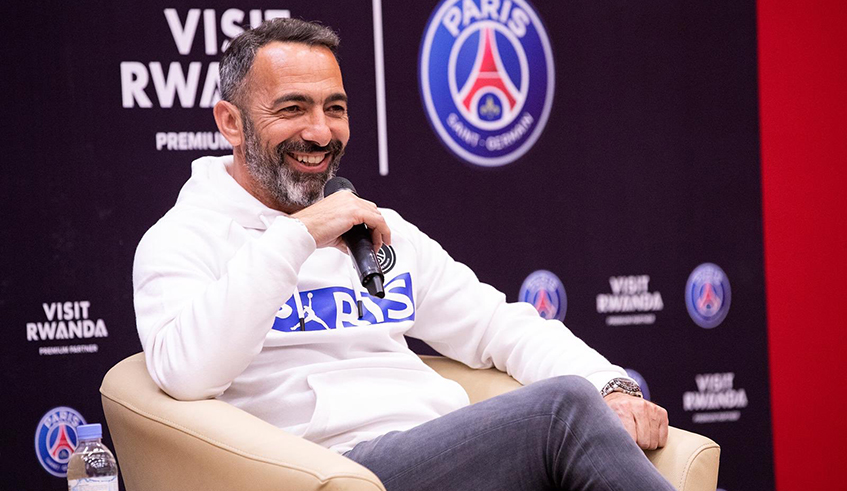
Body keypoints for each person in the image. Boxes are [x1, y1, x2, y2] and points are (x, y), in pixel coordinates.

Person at [133, 18, 675, 490]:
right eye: (292, 109)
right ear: (231, 122)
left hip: (439, 452)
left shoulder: (372, 229)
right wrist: (296, 236)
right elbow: (187, 373)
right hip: (334, 470)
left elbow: (496, 325)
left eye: (334, 108)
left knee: (578, 417)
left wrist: (613, 385)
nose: (320, 131)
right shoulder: (183, 238)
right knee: (561, 411)